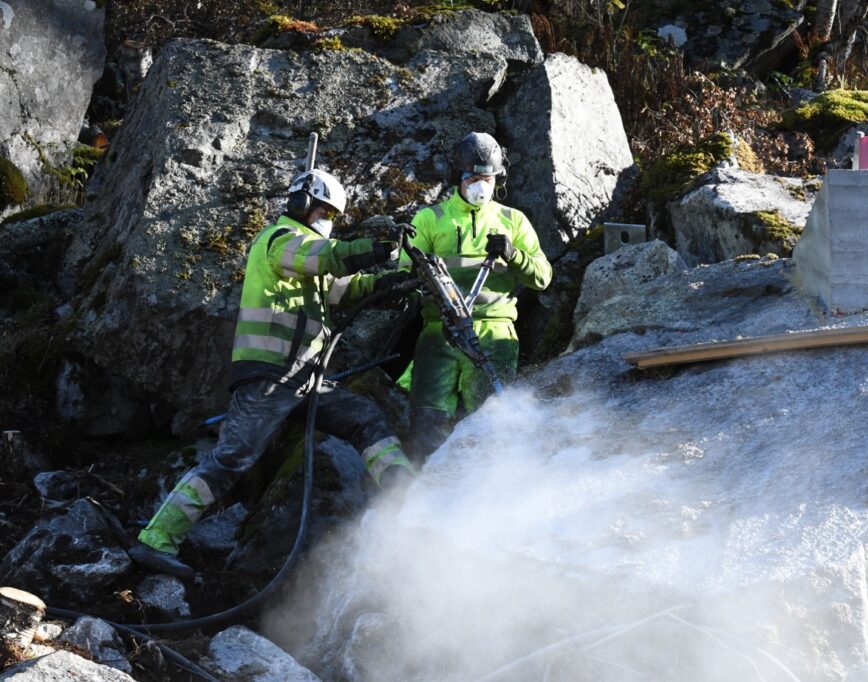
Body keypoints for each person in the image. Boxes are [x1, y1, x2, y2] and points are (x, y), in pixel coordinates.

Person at [130, 168, 417, 579]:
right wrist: (375, 248)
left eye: (333, 216)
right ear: (302, 205)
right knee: (232, 458)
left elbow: (346, 288)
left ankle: (410, 500)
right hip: (269, 375)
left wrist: (394, 279)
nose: (328, 222)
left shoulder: (311, 257)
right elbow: (328, 258)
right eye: (324, 212)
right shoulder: (279, 242)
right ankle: (155, 541)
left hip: (306, 377)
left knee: (365, 418)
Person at [401, 132, 552, 459]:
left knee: (490, 429)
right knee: (426, 424)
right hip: (438, 333)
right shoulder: (430, 219)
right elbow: (403, 275)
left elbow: (542, 277)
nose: (480, 185)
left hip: (495, 335)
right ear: (458, 176)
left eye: (488, 177)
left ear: (498, 177)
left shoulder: (513, 221)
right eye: (473, 177)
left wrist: (513, 254)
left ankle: (487, 497)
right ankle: (423, 499)